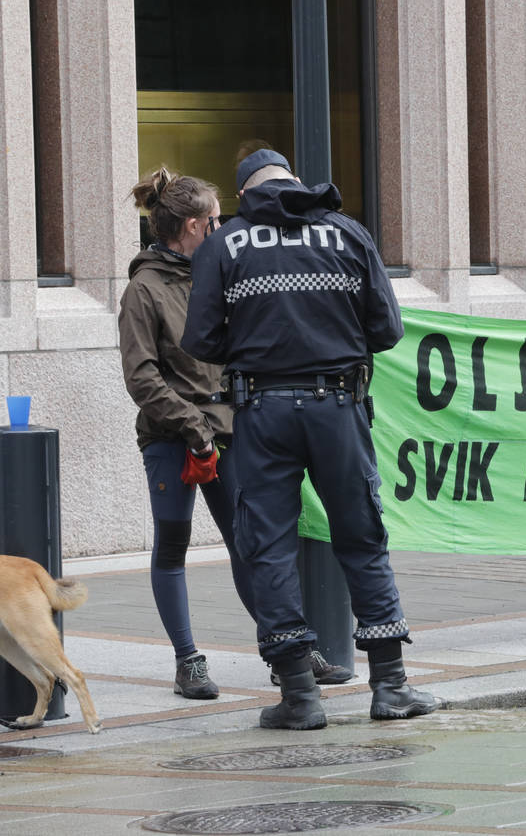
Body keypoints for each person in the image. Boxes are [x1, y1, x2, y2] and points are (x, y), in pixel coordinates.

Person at [181, 149, 438, 729]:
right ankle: (391, 688)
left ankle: (300, 697)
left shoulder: (226, 245)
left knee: (269, 546)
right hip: (338, 405)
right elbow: (388, 329)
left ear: (244, 194)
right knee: (361, 536)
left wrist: (254, 350)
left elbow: (199, 338)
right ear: (293, 180)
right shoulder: (347, 232)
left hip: (261, 410)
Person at [119, 168, 351, 701]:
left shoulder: (220, 269)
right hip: (170, 438)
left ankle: (288, 650)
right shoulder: (144, 289)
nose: (224, 227)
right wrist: (191, 426)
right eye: (218, 220)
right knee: (172, 548)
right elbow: (141, 376)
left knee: (253, 546)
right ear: (197, 225)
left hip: (228, 433)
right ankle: (188, 661)